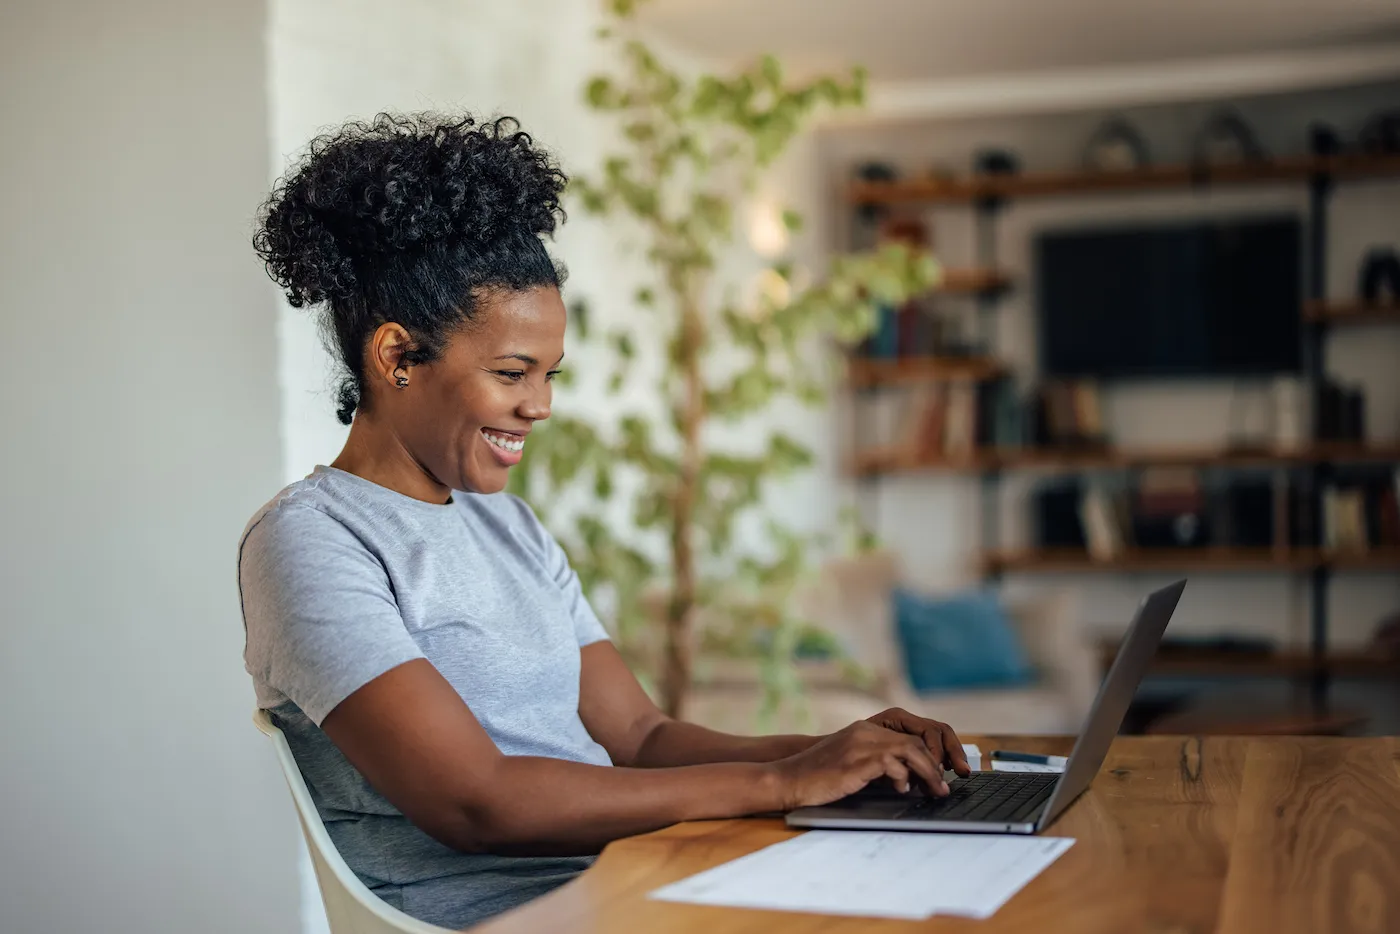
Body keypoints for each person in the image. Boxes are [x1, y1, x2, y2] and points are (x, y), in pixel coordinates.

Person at [240, 112, 970, 930]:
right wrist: (779, 784)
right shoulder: (311, 541)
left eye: (550, 373)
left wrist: (832, 753)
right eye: (513, 372)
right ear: (397, 356)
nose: (541, 404)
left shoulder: (507, 526)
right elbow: (476, 803)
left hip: (634, 882)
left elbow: (640, 733)